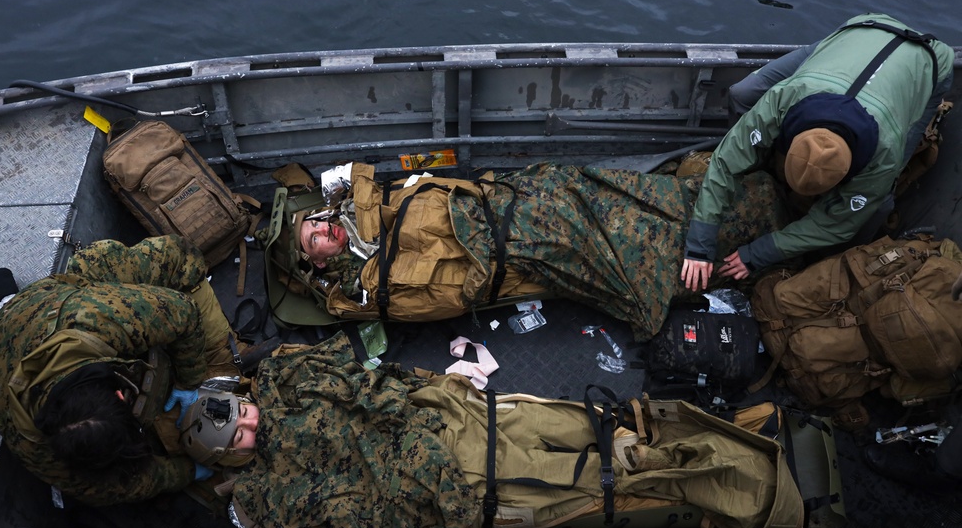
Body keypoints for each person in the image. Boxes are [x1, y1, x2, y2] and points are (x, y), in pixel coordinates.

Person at [179, 332, 806, 528]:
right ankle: (759, 496)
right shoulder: (270, 500)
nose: (251, 427)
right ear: (230, 460)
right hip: (470, 485)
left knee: (601, 428)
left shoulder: (285, 385)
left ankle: (737, 450)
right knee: (609, 479)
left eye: (243, 415)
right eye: (239, 438)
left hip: (463, 417)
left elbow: (363, 373)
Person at [283, 161, 791, 340]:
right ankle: (762, 239)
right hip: (517, 246)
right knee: (625, 252)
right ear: (320, 262)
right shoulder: (374, 285)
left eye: (318, 224)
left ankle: (749, 202)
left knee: (591, 190)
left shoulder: (373, 205)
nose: (325, 232)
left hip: (515, 199)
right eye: (316, 242)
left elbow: (445, 192)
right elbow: (456, 293)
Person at [681, 13, 954, 292]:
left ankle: (831, 260)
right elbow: (725, 162)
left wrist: (760, 253)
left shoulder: (884, 154)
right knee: (742, 92)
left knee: (881, 201)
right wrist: (699, 247)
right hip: (859, 34)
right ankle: (757, 164)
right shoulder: (784, 98)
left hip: (928, 59)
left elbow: (836, 225)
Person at [0, 234, 248, 506]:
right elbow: (116, 485)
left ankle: (6, 304)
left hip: (61, 303)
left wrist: (189, 381)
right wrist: (185, 472)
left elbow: (184, 314)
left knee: (176, 259)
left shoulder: (104, 317)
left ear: (121, 395)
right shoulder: (31, 447)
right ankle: (4, 306)